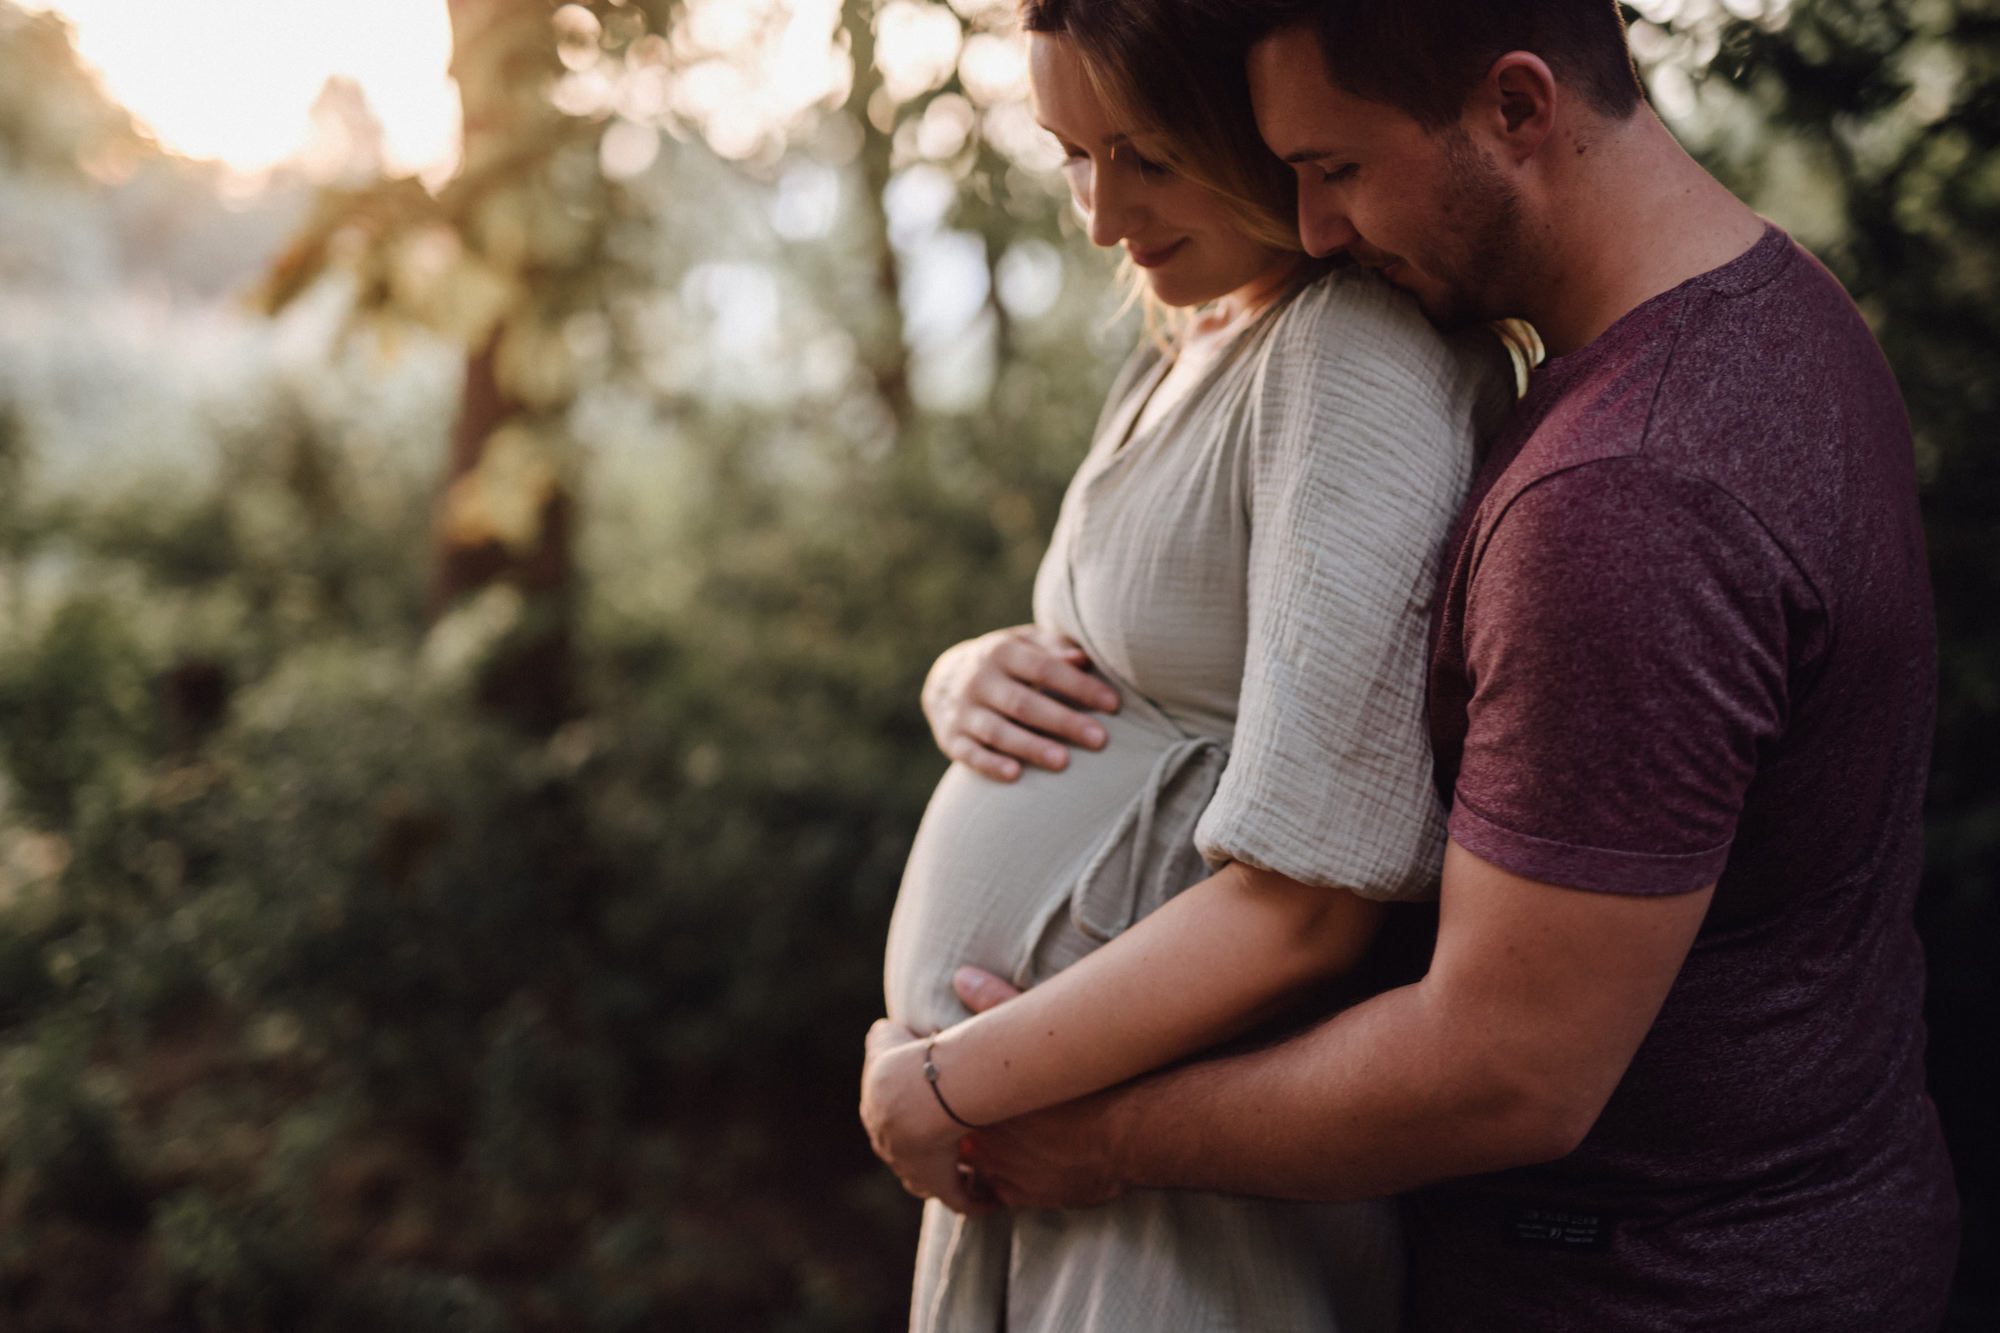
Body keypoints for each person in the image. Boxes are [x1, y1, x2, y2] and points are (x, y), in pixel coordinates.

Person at [904, 2, 1962, 1330]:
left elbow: (1505, 1068)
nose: (1320, 230)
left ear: (1521, 108)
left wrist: (1088, 1132)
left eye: (1336, 169)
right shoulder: (1774, 308)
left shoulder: (1629, 495)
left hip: (1653, 1288)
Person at [861, 1, 1517, 1328]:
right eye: (1071, 157)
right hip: (1031, 1139)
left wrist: (949, 1081)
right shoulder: (1199, 333)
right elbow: (1132, 661)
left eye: (1146, 156)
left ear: (1254, 121)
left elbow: (1317, 894)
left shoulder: (1350, 351)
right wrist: (968, 672)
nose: (1102, 215)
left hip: (1178, 1190)